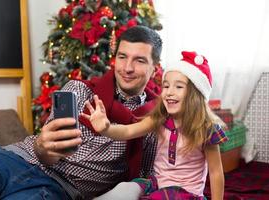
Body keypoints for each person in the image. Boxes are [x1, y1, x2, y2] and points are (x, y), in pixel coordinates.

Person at [0, 25, 163, 200]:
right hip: (14, 159)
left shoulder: (153, 120)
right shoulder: (78, 89)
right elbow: (46, 152)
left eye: (139, 60)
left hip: (59, 188)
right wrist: (42, 147)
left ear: (154, 69)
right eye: (122, 57)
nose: (127, 68)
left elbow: (146, 178)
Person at [82, 51, 228, 200]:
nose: (169, 92)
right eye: (166, 86)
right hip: (156, 184)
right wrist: (106, 129)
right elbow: (127, 131)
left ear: (195, 94)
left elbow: (216, 173)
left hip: (186, 194)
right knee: (125, 188)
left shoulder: (206, 129)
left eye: (178, 87)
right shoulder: (160, 119)